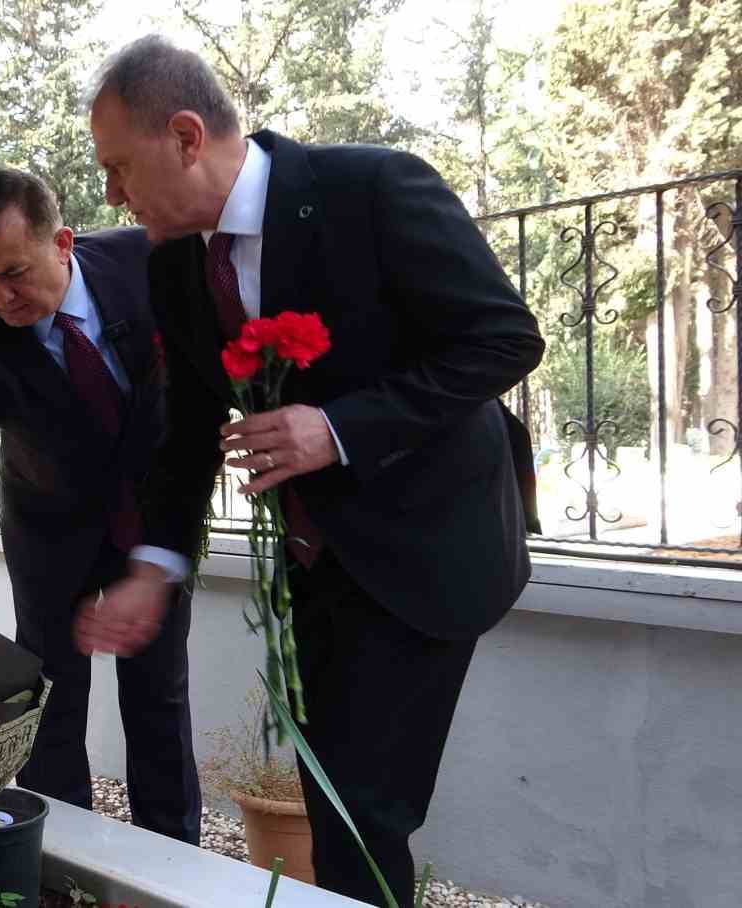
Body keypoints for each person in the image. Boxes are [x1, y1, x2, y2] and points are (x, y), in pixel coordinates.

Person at [81, 37, 544, 905]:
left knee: (360, 818)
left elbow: (505, 338)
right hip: (318, 566)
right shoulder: (177, 262)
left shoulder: (369, 189)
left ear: (185, 137)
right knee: (343, 818)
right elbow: (188, 432)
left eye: (117, 167)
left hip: (429, 547)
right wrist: (155, 565)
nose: (111, 193)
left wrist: (336, 428)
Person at [0, 168, 200, 845]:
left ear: (62, 242)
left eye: (14, 273)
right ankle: (64, 863)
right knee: (53, 710)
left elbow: (203, 379)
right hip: (48, 536)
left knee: (159, 701)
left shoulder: (144, 262)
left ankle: (177, 865)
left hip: (149, 529)